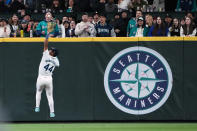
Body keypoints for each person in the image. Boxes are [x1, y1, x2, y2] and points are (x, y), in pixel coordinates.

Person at [35, 34, 60, 118]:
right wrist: (54, 57)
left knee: (38, 92)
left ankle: (37, 107)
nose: (50, 50)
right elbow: (57, 64)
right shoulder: (56, 61)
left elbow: (45, 45)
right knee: (50, 96)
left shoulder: (46, 54)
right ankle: (52, 112)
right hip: (49, 79)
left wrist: (47, 37)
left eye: (52, 50)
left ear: (53, 53)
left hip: (41, 77)